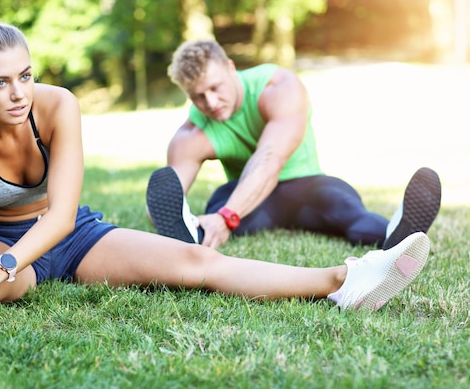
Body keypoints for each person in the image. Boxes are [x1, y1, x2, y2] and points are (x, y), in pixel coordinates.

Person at [0, 13, 432, 347]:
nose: (18, 93)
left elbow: (61, 214)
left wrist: (8, 266)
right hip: (2, 240)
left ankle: (345, 281)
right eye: (0, 82)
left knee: (199, 262)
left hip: (74, 235)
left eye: (26, 76)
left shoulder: (58, 106)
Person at [146, 39, 441, 249]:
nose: (210, 102)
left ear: (231, 68)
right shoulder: (192, 133)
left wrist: (227, 216)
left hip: (308, 187)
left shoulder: (278, 88)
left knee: (345, 209)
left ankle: (396, 235)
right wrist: (172, 215)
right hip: (250, 201)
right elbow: (168, 196)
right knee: (216, 207)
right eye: (198, 96)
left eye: (215, 87)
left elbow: (269, 159)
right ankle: (192, 241)